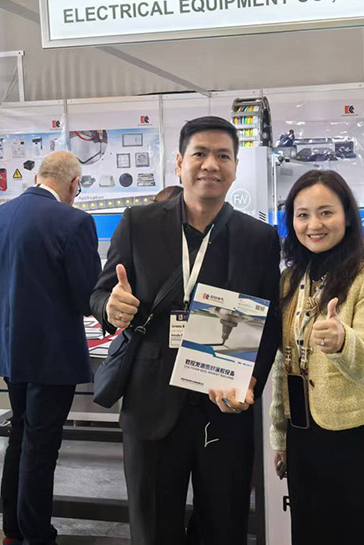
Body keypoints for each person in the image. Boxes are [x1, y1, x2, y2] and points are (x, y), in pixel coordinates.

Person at [90, 116, 282, 545]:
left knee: (224, 526)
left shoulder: (259, 238)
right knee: (153, 527)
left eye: (223, 155)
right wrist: (111, 307)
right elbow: (101, 294)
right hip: (151, 401)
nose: (211, 164)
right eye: (200, 153)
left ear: (235, 167)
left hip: (224, 403)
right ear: (179, 163)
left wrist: (252, 380)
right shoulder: (138, 223)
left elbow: (270, 322)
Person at [269, 169, 364, 545]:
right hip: (304, 432)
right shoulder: (290, 279)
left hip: (360, 433)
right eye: (302, 214)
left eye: (326, 212)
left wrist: (344, 343)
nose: (314, 225)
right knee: (311, 532)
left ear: (347, 216)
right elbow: (284, 363)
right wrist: (281, 435)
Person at [0, 151, 102, 545]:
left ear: (39, 178)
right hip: (52, 353)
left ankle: (13, 530)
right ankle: (36, 535)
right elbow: (87, 296)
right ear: (74, 184)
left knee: (20, 434)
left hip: (8, 347)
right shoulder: (74, 221)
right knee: (41, 445)